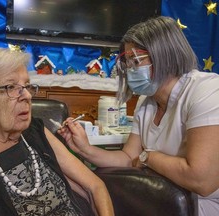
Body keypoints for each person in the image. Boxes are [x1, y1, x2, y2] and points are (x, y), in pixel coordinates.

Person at [58, 16, 219, 216]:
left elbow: (201, 180)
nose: (130, 69)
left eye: (136, 60)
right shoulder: (147, 101)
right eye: (126, 61)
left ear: (164, 54)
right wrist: (84, 149)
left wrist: (148, 157)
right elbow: (128, 158)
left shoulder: (207, 90)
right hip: (164, 201)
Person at [0, 47, 114, 216]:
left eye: (26, 86)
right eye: (10, 87)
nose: (26, 95)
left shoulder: (35, 131)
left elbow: (96, 186)